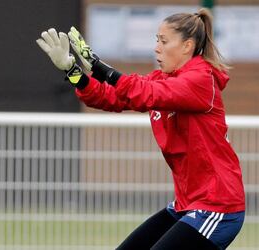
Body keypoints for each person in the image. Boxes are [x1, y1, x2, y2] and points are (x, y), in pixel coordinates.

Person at [36, 8, 245, 250]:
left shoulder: (200, 80)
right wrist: (73, 71)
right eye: (157, 40)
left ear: (187, 46)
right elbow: (110, 96)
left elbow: (144, 93)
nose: (157, 47)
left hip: (218, 208)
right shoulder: (163, 79)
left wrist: (97, 64)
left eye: (164, 41)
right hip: (187, 205)